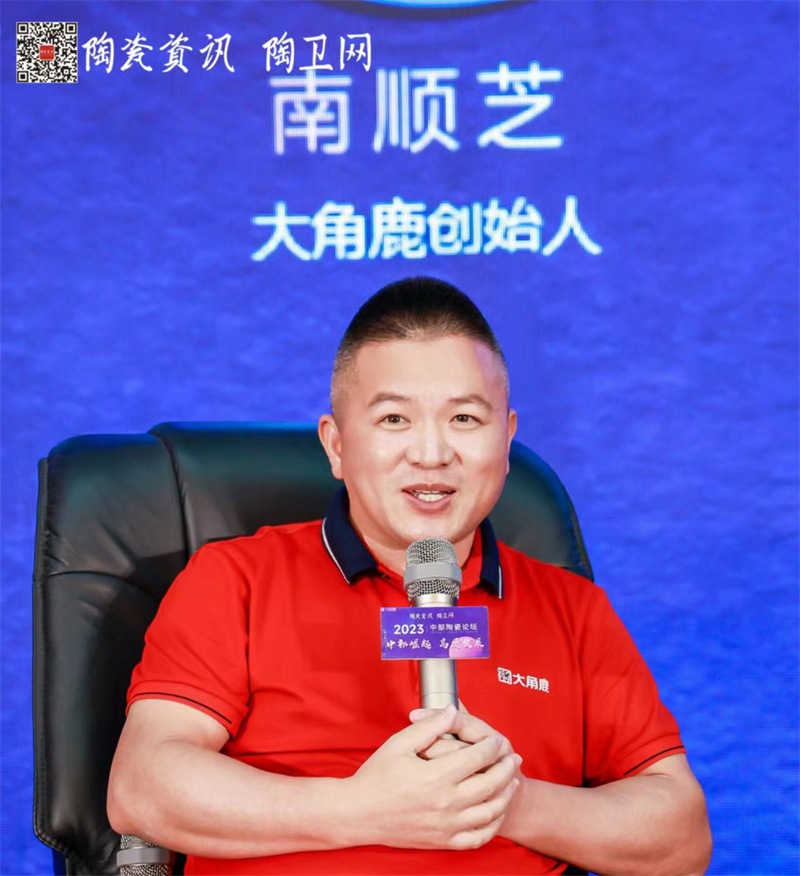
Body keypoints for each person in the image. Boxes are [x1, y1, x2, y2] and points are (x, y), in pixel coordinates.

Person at [107, 277, 712, 876]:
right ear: (336, 445)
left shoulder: (572, 609)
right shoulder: (236, 579)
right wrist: (366, 809)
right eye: (394, 418)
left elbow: (679, 838)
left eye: (465, 419)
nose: (430, 453)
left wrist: (501, 798)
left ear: (507, 440)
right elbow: (143, 787)